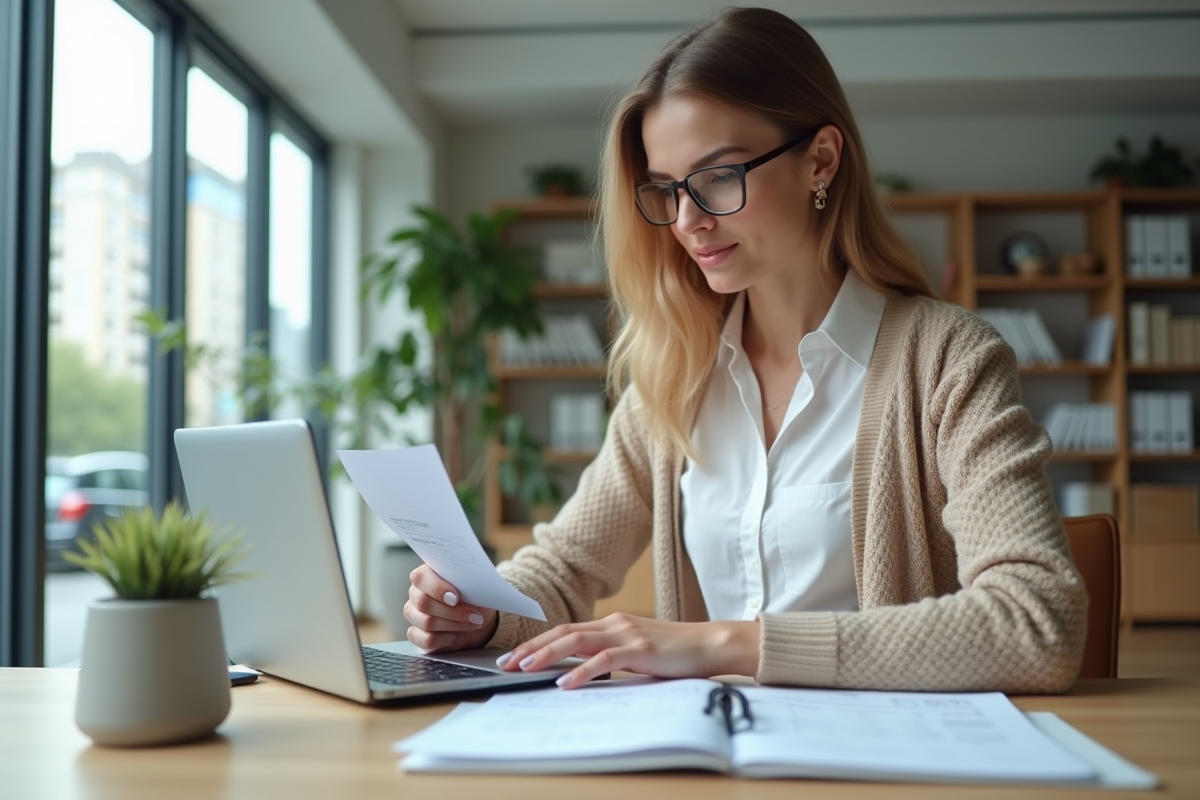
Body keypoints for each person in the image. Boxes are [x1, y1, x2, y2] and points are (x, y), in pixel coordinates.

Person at [404, 7, 1087, 693]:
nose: (688, 220)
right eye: (666, 190)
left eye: (719, 178)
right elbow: (562, 569)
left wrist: (721, 644)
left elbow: (1038, 622)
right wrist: (480, 615)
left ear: (820, 159)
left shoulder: (948, 361)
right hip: (714, 759)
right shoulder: (677, 375)